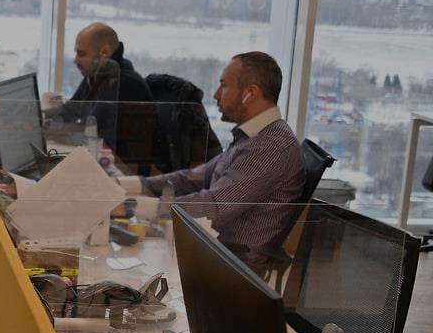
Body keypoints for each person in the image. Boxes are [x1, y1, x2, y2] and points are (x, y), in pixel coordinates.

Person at [119, 51, 305, 265]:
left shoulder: (271, 147)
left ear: (250, 93)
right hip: (213, 248)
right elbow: (192, 178)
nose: (216, 95)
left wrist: (132, 205)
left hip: (231, 266)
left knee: (126, 261)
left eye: (224, 86)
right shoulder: (252, 137)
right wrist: (127, 185)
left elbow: (213, 207)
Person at [50, 22, 155, 162]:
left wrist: (52, 129)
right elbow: (70, 110)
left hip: (120, 164)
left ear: (104, 52)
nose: (75, 60)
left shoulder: (122, 82)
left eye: (81, 54)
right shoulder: (98, 73)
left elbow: (93, 129)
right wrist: (42, 121)